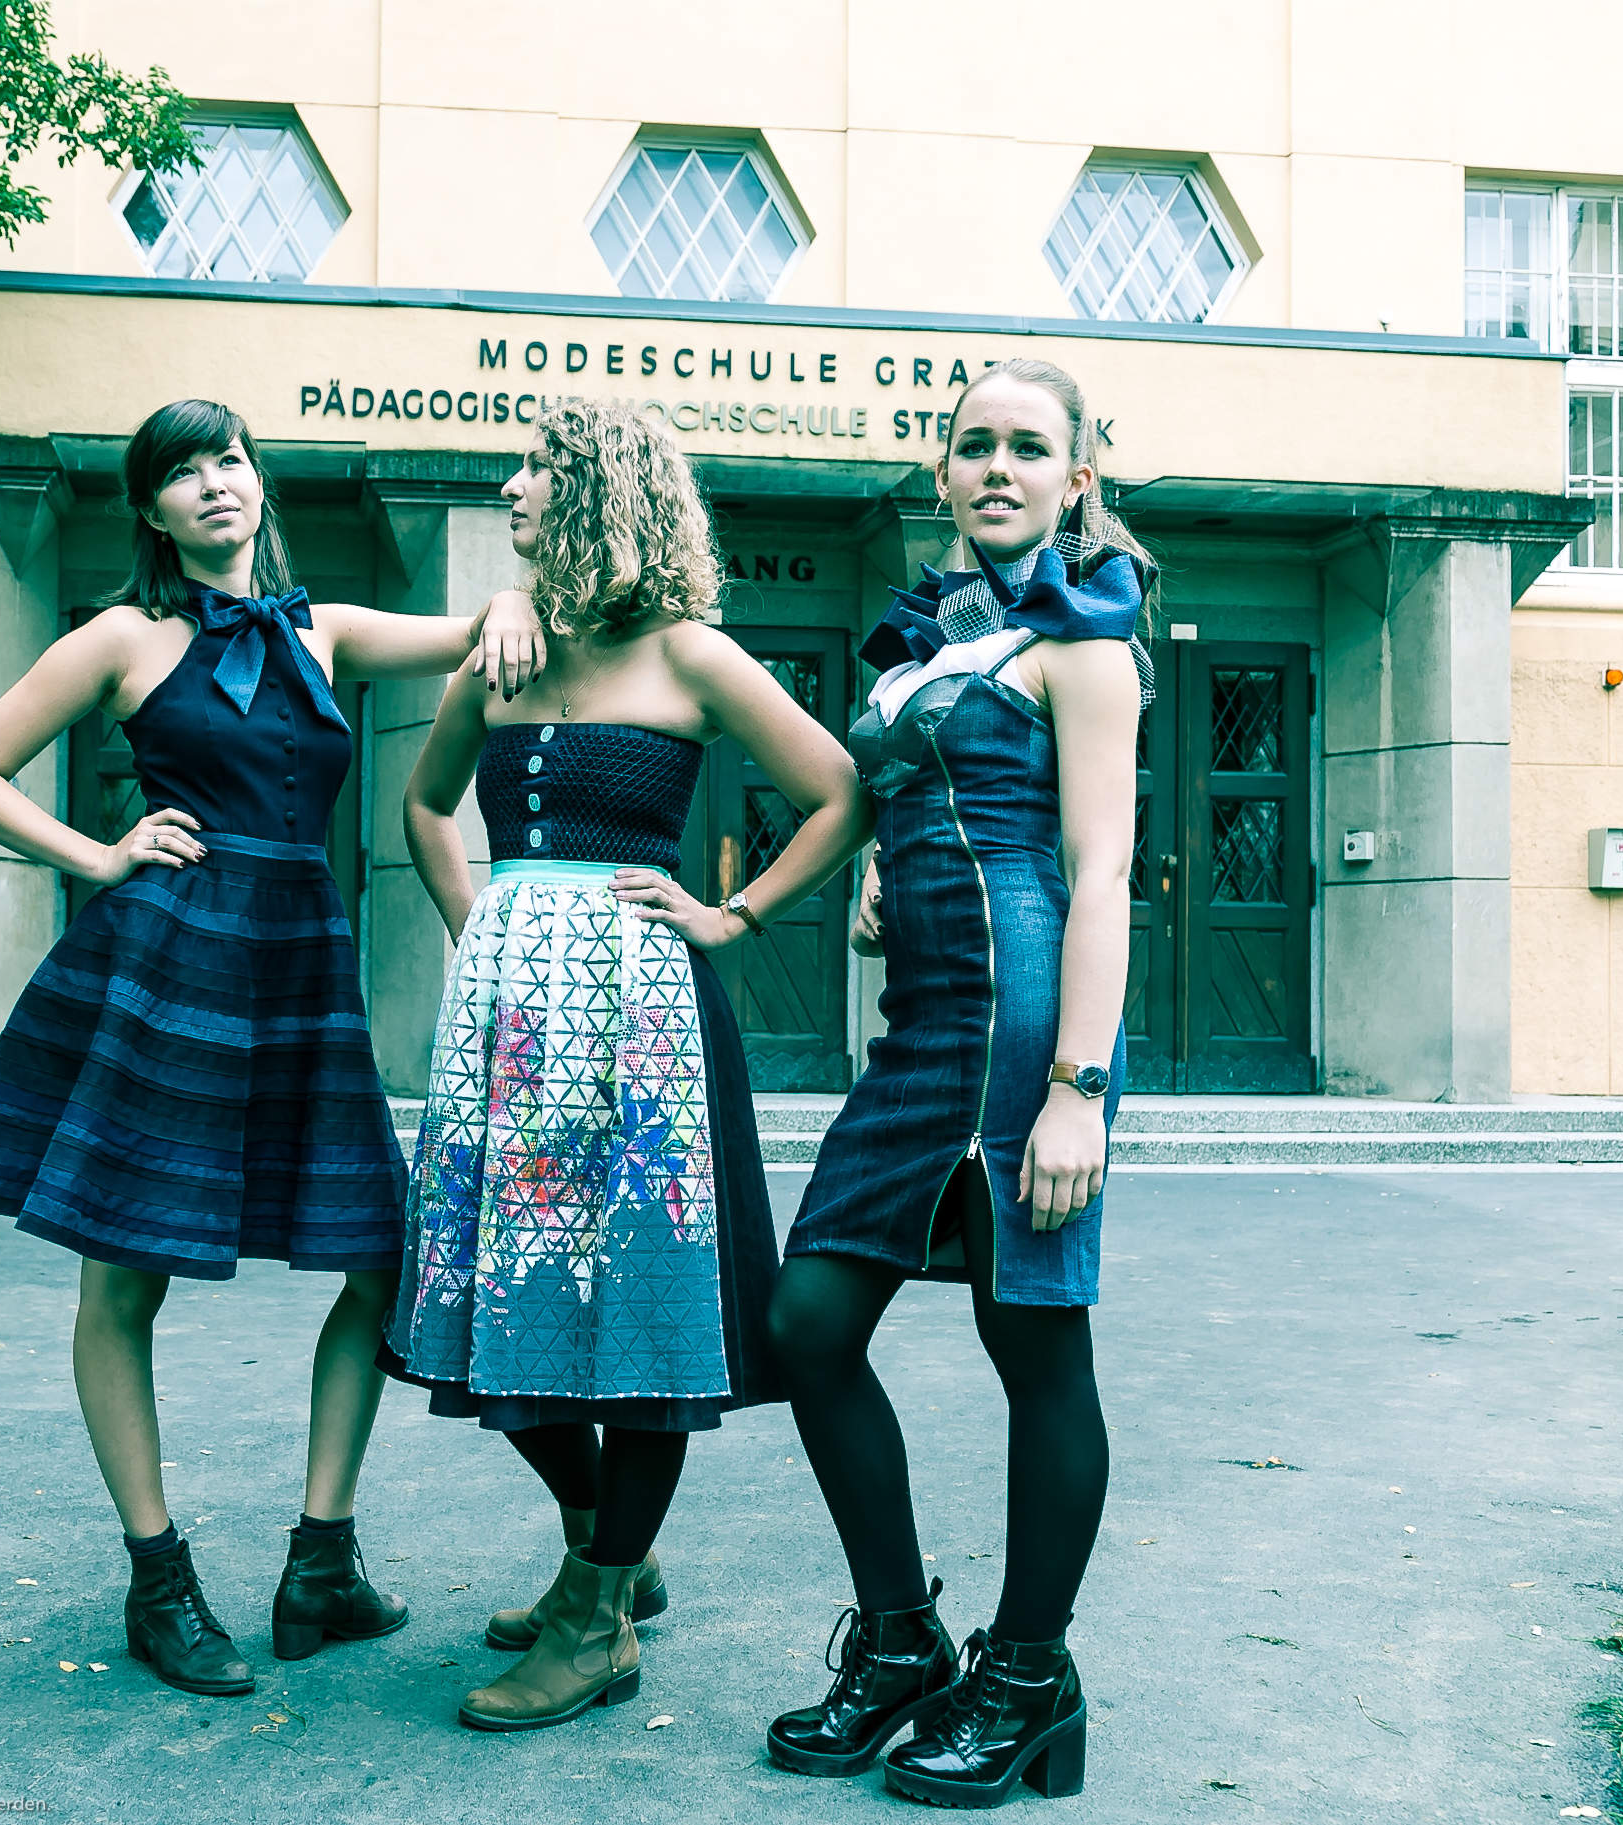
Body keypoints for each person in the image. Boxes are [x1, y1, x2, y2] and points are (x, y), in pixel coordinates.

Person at [0, 398, 546, 1698]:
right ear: (150, 509)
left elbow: (477, 628)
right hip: (171, 961)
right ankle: (159, 1580)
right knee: (123, 1276)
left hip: (300, 965)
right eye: (182, 471)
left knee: (376, 1257)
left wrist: (505, 605)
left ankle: (322, 1558)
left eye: (231, 459)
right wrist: (98, 854)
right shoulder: (118, 636)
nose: (214, 483)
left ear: (259, 482)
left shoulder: (325, 629)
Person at [384, 401, 871, 1732]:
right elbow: (423, 805)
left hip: (644, 1023)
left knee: (646, 1307)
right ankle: (607, 1546)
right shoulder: (501, 651)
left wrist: (736, 913)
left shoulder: (691, 654)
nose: (510, 484)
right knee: (500, 1289)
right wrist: (480, 926)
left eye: (537, 467)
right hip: (507, 1030)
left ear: (603, 488)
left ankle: (595, 1618)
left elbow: (838, 791)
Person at [763, 358, 1147, 1807]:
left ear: (1075, 478)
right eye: (974, 444)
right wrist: (882, 862)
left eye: (1028, 447)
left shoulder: (1085, 642)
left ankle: (1031, 1675)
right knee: (807, 1322)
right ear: (941, 475)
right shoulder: (932, 642)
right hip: (918, 1030)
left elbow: (1099, 869)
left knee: (1033, 1347)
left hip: (1023, 1031)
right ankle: (901, 1641)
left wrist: (1079, 1088)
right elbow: (919, 790)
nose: (998, 466)